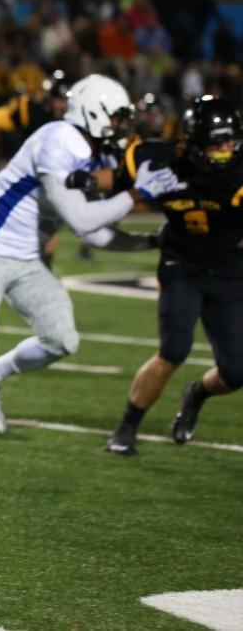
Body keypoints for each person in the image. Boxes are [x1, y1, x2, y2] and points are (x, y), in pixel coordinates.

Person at [0, 74, 185, 451]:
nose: (121, 126)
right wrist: (137, 192)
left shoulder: (93, 154)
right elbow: (82, 220)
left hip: (28, 260)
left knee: (62, 339)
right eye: (116, 117)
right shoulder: (58, 140)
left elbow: (96, 233)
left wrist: (149, 241)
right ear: (94, 112)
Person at [106, 96, 243, 455]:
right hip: (182, 263)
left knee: (237, 371)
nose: (225, 151)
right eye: (216, 144)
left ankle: (196, 393)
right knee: (175, 347)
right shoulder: (157, 161)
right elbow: (114, 181)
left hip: (229, 269)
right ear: (193, 143)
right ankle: (127, 425)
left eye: (230, 142)